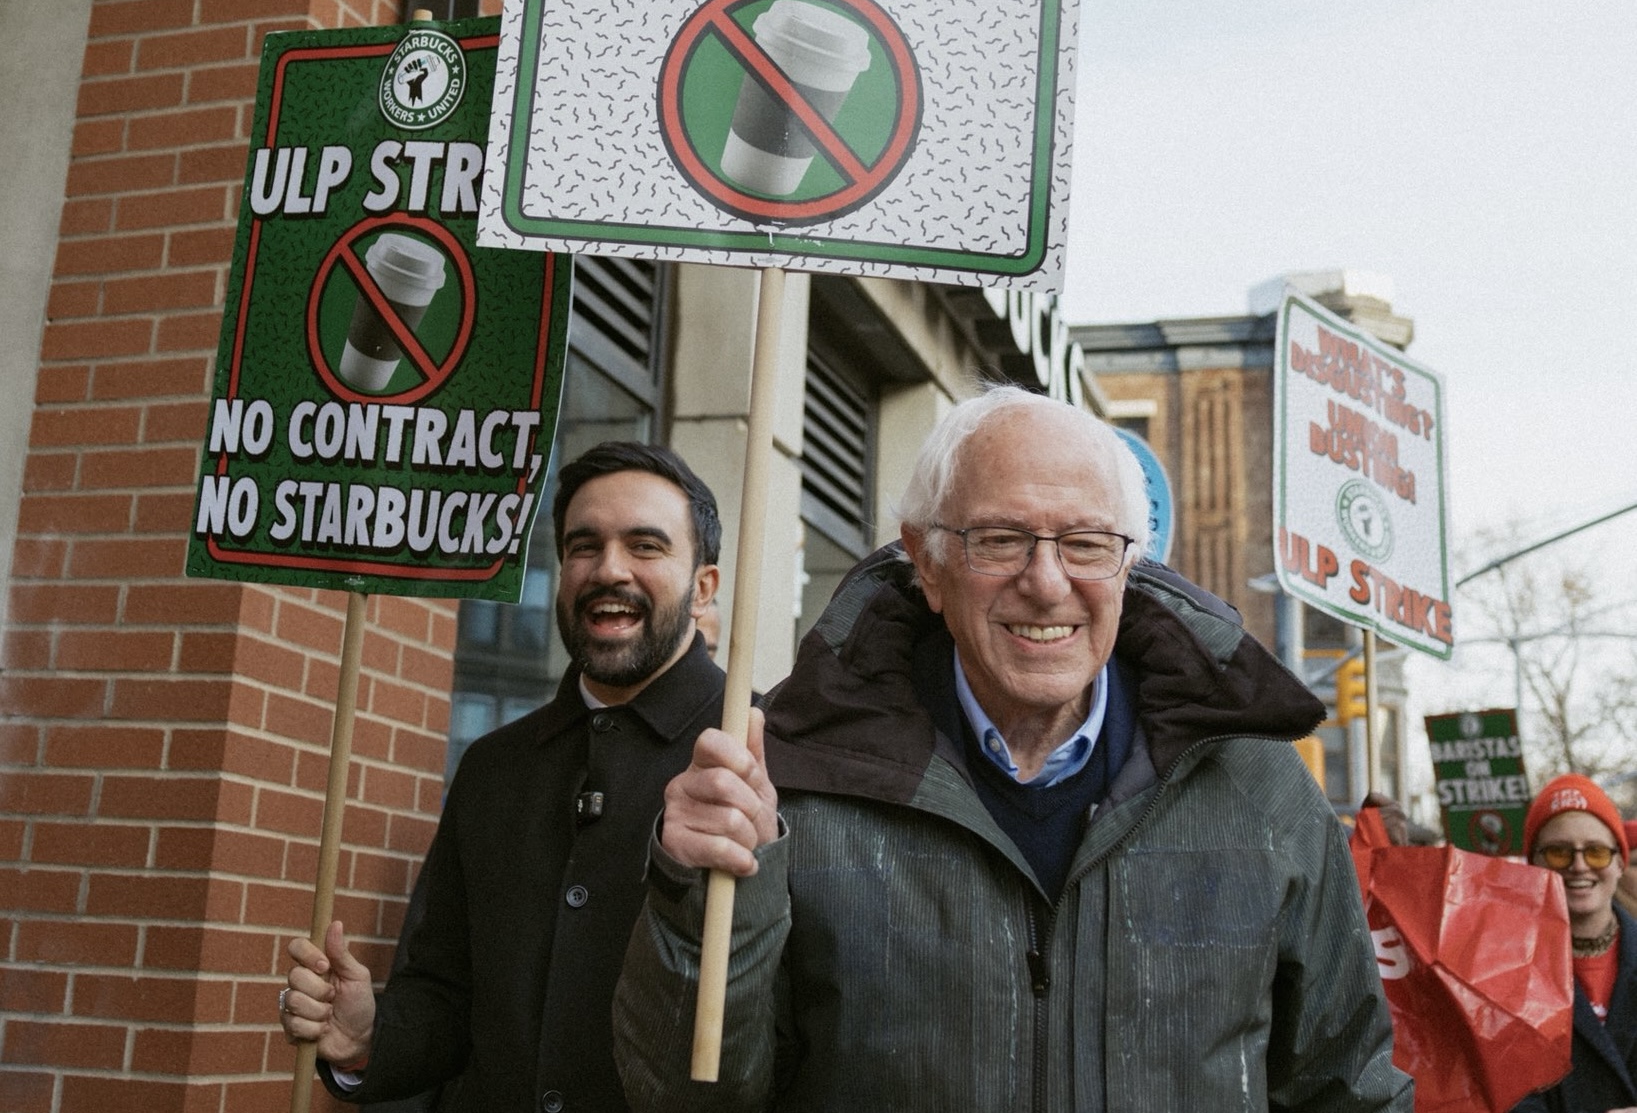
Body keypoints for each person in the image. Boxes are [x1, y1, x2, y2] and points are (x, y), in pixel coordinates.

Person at [613, 385, 1410, 1111]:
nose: (1047, 581)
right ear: (927, 562)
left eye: (1087, 543)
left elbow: (1349, 1091)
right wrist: (700, 893)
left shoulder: (1258, 788)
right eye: (999, 539)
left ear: (1130, 563)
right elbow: (687, 1097)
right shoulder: (791, 785)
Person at [278, 442, 726, 1113]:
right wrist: (371, 1032)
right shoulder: (494, 767)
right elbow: (445, 998)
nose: (608, 569)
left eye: (644, 545)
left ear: (704, 588)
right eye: (583, 545)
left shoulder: (760, 760)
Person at [1511, 775, 1637, 1113]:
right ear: (1534, 864)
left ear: (1619, 862)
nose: (1579, 866)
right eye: (1558, 853)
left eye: (1595, 852)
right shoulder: (1502, 973)